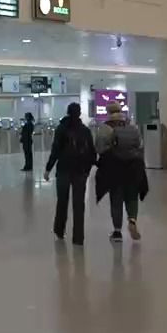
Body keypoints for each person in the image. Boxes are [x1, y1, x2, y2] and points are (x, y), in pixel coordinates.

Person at [94, 102, 149, 242]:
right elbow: (140, 145)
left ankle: (117, 232)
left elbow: (99, 149)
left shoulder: (104, 128)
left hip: (114, 168)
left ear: (108, 112)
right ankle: (132, 220)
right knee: (131, 196)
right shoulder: (132, 127)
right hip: (133, 167)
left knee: (116, 199)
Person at [44, 103, 96, 245]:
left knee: (62, 201)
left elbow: (55, 150)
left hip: (63, 170)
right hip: (80, 172)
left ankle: (59, 231)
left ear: (67, 112)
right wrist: (86, 170)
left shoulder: (61, 129)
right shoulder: (85, 131)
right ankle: (78, 238)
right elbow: (92, 153)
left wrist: (48, 168)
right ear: (79, 114)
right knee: (79, 204)